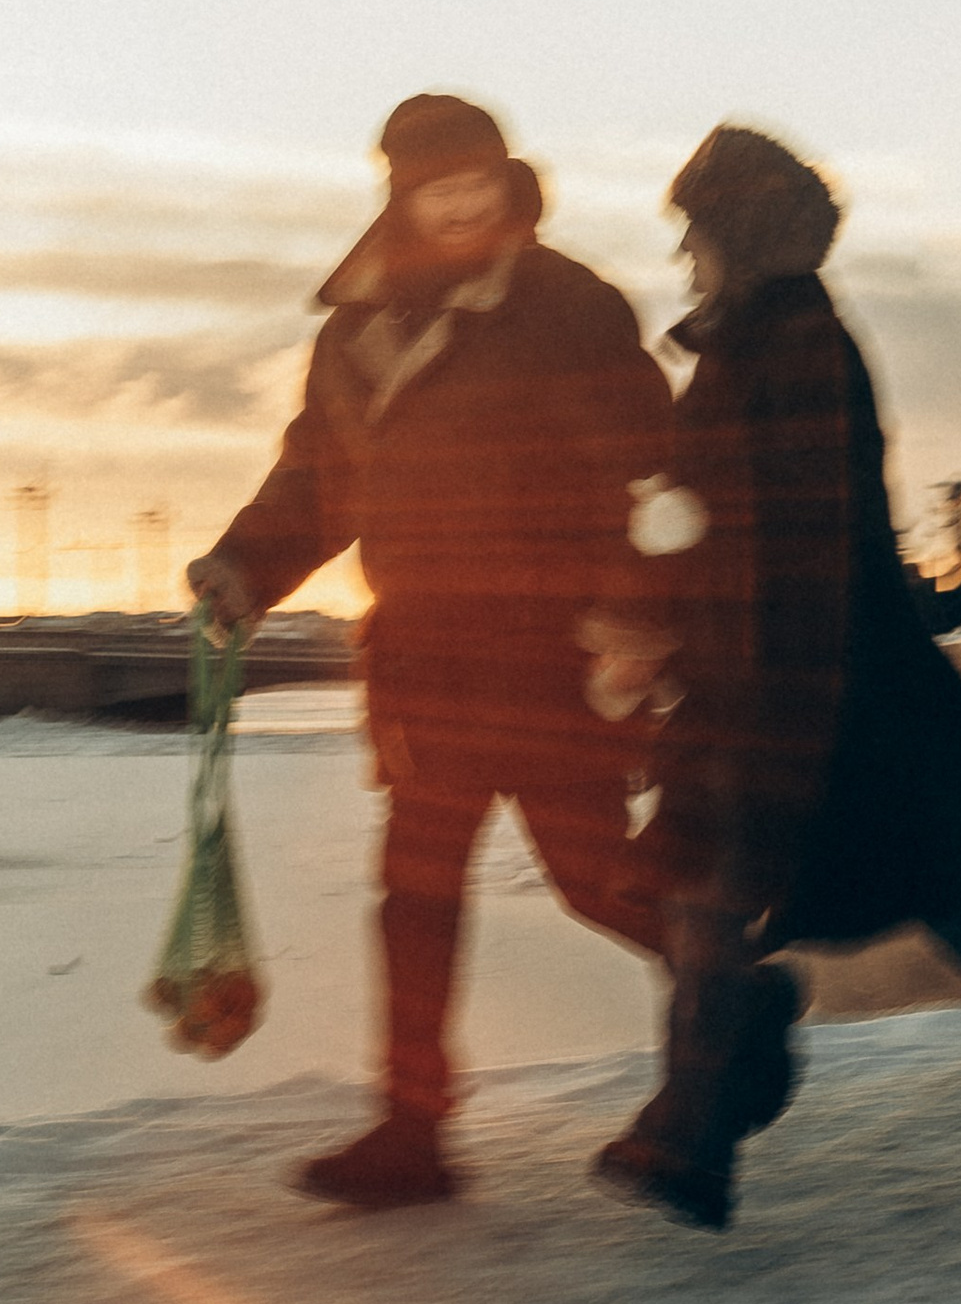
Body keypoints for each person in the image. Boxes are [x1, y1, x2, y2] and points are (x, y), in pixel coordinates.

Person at [595, 123, 961, 1232]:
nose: (683, 255)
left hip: (824, 685)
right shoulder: (746, 345)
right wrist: (655, 618)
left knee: (927, 879)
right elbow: (708, 525)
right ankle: (696, 1137)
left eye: (695, 233)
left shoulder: (794, 344)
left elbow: (788, 543)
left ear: (738, 236)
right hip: (759, 679)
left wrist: (726, 668)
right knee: (732, 894)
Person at [187, 92, 675, 1210]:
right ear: (401, 197)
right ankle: (413, 1130)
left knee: (594, 878)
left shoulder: (568, 306)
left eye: (479, 185)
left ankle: (733, 1003)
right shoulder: (357, 329)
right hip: (424, 657)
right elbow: (320, 477)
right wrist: (243, 570)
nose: (463, 206)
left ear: (509, 183)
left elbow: (647, 470)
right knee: (413, 892)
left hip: (555, 653)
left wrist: (632, 616)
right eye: (438, 190)